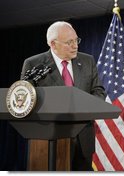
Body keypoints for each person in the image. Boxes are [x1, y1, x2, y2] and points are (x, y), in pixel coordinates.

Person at [20, 21, 106, 171]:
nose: (75, 46)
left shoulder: (87, 61)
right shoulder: (34, 64)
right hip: (49, 139)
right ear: (53, 44)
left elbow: (98, 91)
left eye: (76, 40)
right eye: (69, 42)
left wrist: (85, 106)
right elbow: (26, 99)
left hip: (83, 138)